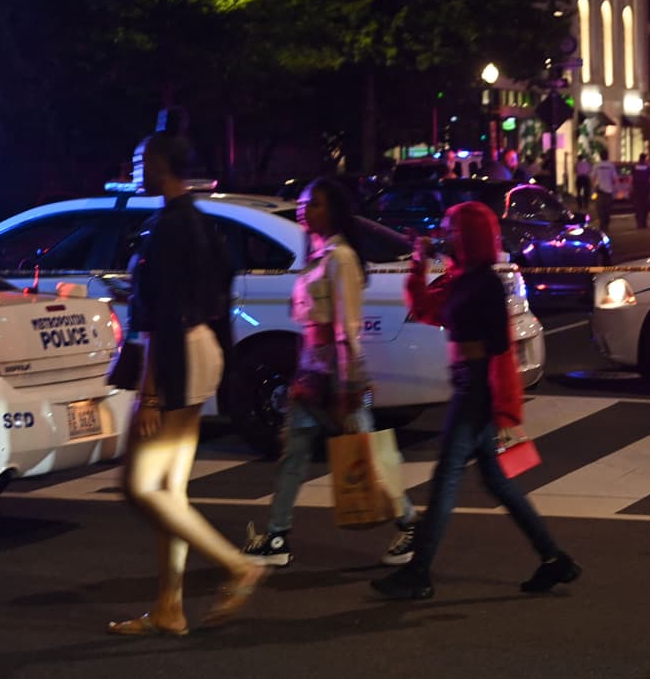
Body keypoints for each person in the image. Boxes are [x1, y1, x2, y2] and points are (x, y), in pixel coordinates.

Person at [371, 202, 580, 600]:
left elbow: (499, 347)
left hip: (476, 391)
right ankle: (554, 559)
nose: (444, 233)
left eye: (451, 228)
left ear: (468, 235)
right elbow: (424, 309)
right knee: (496, 483)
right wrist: (419, 263)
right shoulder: (461, 278)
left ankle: (418, 573)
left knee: (446, 481)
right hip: (471, 388)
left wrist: (499, 405)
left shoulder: (482, 283)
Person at [108, 131, 268, 637]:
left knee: (138, 486)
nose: (136, 165)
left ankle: (238, 565)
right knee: (168, 491)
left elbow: (166, 314)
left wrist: (154, 393)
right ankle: (169, 607)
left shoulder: (170, 227)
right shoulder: (199, 221)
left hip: (175, 357)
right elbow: (222, 284)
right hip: (201, 350)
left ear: (158, 163)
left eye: (140, 157)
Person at [241, 177, 419, 568]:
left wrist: (347, 387)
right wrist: (301, 377)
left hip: (338, 377)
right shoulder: (318, 256)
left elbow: (346, 329)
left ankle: (409, 525)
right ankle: (276, 537)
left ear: (334, 211)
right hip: (311, 374)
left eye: (315, 203)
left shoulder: (341, 259)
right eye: (304, 202)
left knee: (367, 453)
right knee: (294, 455)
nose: (305, 208)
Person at [592, 152, 619, 234]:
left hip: (599, 190)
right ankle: (606, 224)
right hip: (608, 191)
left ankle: (602, 224)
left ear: (600, 157)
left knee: (600, 208)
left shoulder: (596, 165)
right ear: (607, 156)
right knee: (608, 209)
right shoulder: (611, 166)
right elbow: (615, 179)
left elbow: (593, 177)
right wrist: (615, 189)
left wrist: (593, 189)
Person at [631, 152, 650, 229]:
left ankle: (639, 223)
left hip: (637, 189)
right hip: (646, 188)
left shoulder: (635, 167)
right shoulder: (647, 167)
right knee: (645, 206)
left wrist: (631, 188)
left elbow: (632, 177)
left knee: (638, 206)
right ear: (645, 159)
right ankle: (644, 222)